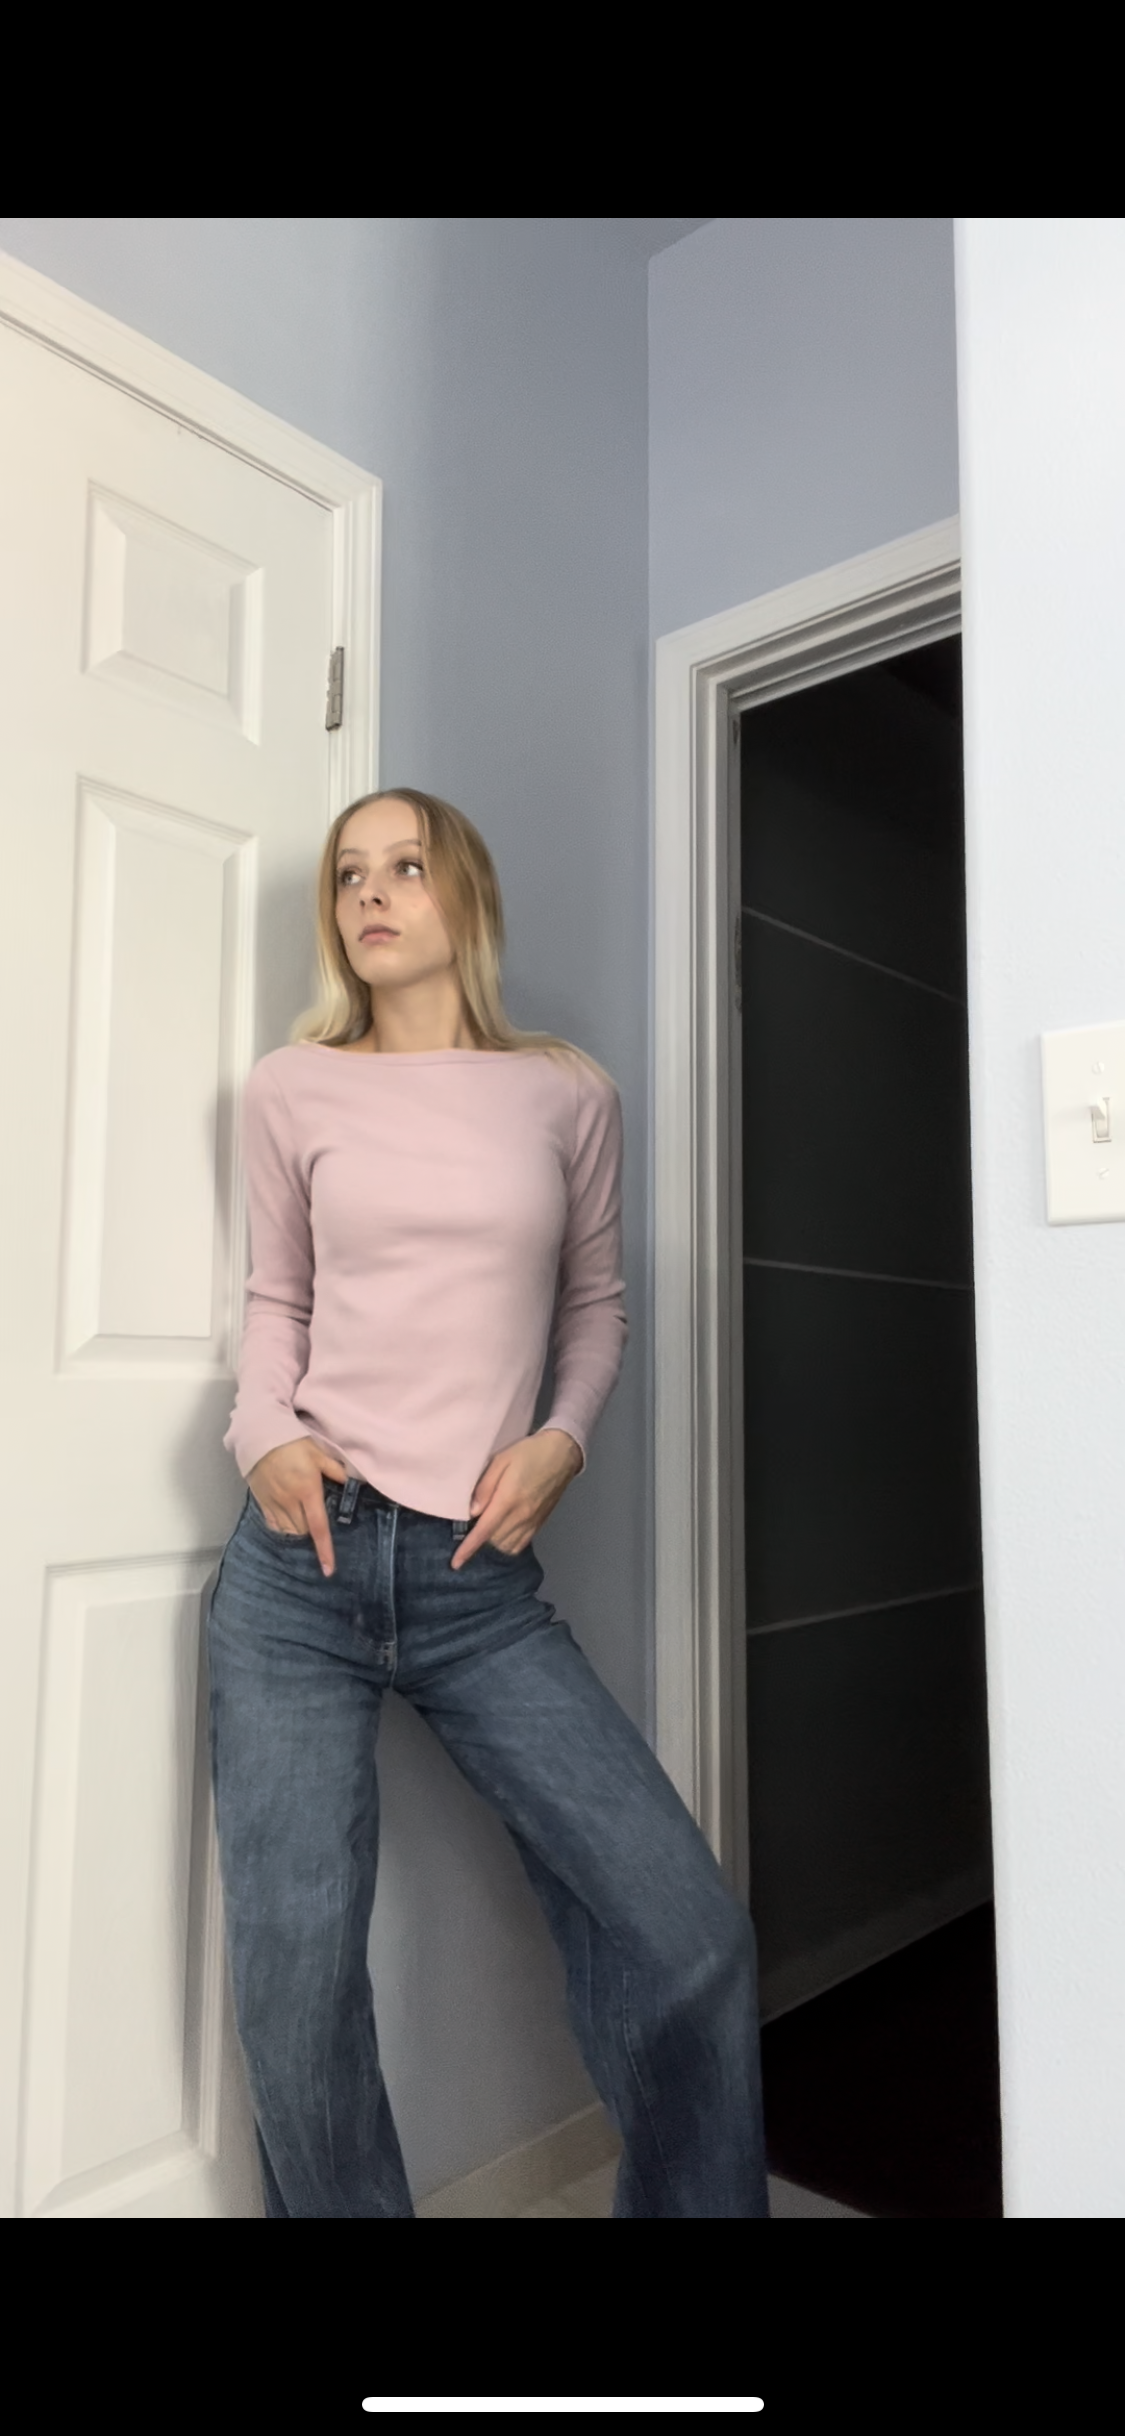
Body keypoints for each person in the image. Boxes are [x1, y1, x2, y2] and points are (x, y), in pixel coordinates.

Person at [207, 786, 769, 2219]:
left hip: (475, 1584)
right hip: (298, 1572)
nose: (371, 895)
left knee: (686, 1930)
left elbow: (597, 1305)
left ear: (465, 893)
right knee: (297, 1985)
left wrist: (563, 1442)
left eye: (405, 866)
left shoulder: (567, 1092)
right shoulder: (291, 1087)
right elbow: (278, 1299)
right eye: (349, 876)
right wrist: (262, 1435)